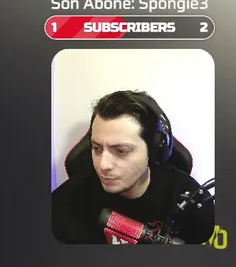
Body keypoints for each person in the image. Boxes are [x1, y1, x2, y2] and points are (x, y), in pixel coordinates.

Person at [51, 90, 216, 244]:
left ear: (153, 150)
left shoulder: (192, 202)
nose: (103, 165)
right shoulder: (68, 201)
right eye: (96, 148)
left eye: (121, 151)